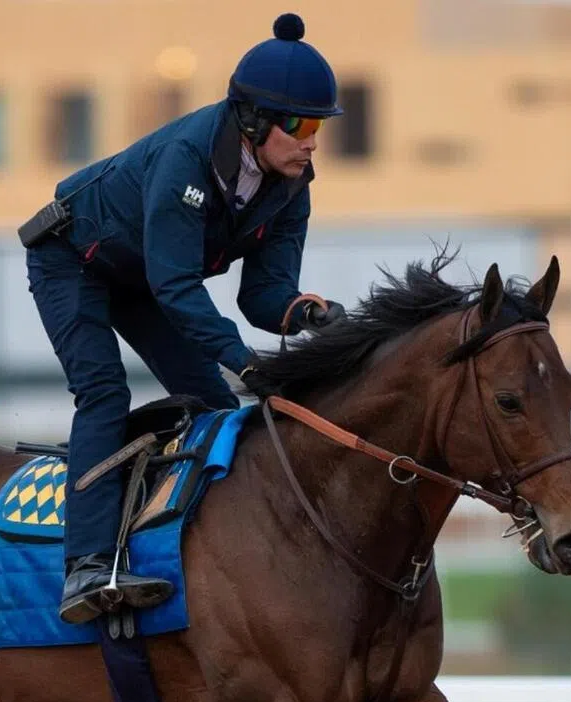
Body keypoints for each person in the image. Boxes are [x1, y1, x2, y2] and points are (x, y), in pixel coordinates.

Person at [23, 13, 347, 624]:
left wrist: (302, 312)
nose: (310, 141)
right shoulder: (185, 159)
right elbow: (176, 286)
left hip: (144, 274)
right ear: (253, 121)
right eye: (300, 125)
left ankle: (217, 557)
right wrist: (245, 361)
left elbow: (263, 295)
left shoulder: (292, 182)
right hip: (74, 261)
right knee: (103, 394)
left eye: (318, 127)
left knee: (217, 405)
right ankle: (86, 566)